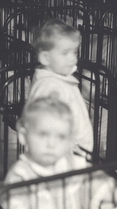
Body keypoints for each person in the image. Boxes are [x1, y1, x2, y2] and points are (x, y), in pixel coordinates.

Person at [3, 96, 116, 209]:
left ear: (69, 142)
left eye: (61, 137)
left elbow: (99, 183)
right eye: (43, 134)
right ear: (23, 136)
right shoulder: (20, 175)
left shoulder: (71, 163)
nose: (51, 144)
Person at [27, 19, 93, 152]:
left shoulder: (60, 79)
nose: (73, 59)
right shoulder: (49, 87)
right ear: (46, 58)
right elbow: (46, 128)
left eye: (74, 52)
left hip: (74, 152)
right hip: (63, 155)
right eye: (65, 53)